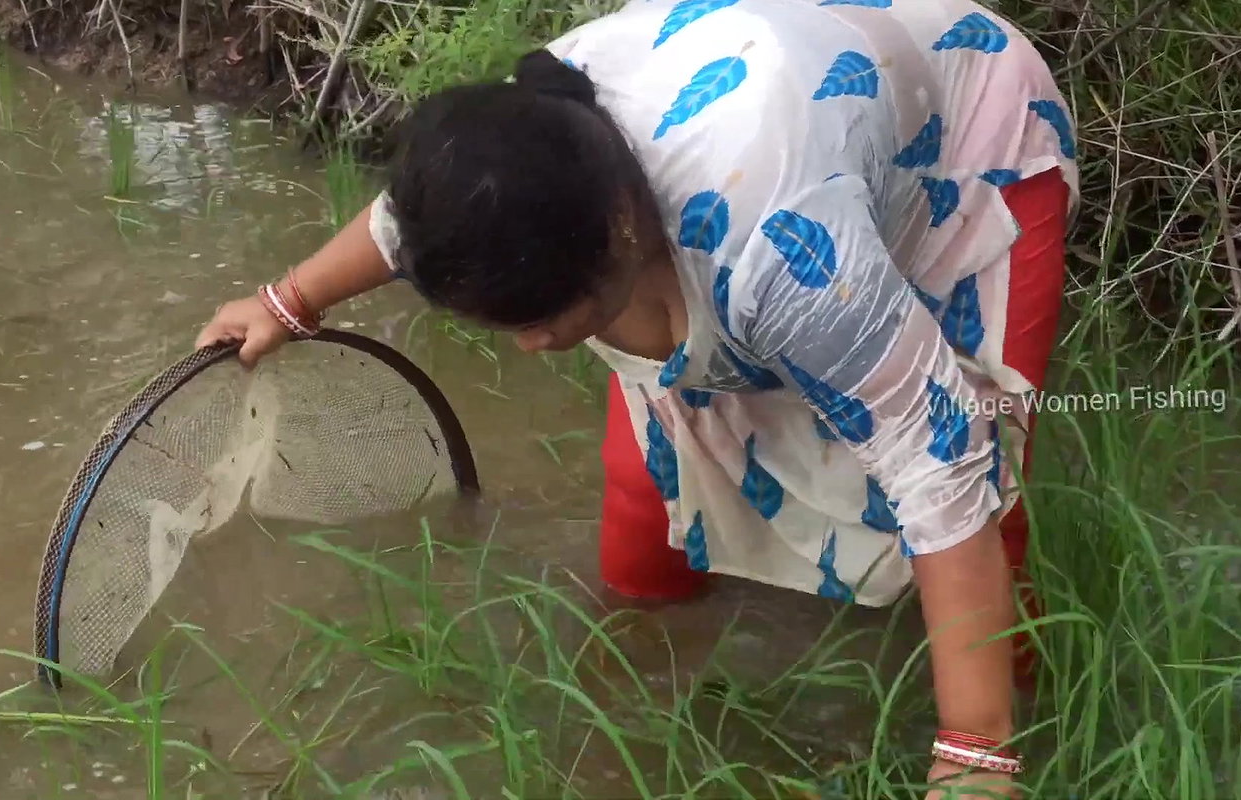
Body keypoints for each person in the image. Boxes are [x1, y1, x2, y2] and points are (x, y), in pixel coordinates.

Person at [197, 0, 1078, 795]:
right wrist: (288, 302)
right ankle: (642, 670)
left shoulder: (773, 249)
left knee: (988, 486)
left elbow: (941, 460)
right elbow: (407, 221)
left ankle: (1024, 714)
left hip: (964, 134)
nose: (535, 345)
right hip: (792, 99)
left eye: (544, 317)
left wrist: (973, 756)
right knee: (641, 490)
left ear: (622, 231)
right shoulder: (520, 141)